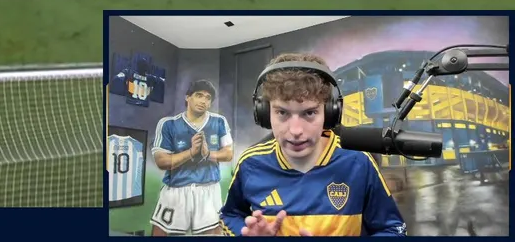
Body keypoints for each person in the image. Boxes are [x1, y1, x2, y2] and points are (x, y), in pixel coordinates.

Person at [219, 53, 406, 237]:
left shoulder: (359, 162)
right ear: (265, 113)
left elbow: (393, 229)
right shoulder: (250, 163)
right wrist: (245, 235)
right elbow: (230, 215)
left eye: (309, 113)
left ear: (330, 113)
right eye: (282, 113)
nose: (296, 130)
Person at [151, 80, 235, 236]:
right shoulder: (168, 124)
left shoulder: (219, 122)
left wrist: (208, 154)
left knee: (214, 233)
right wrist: (191, 152)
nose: (203, 101)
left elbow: (228, 153)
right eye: (199, 95)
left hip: (208, 188)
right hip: (176, 189)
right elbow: (161, 161)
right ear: (187, 97)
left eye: (208, 98)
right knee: (161, 232)